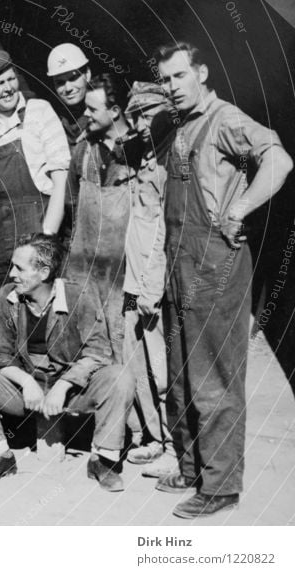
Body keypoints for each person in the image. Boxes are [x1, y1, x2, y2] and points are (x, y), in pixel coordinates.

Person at [154, 41, 292, 518]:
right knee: (180, 375)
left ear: (202, 73)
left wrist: (240, 205)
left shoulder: (226, 119)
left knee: (214, 378)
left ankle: (221, 487)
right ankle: (193, 467)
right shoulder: (182, 124)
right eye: (165, 80)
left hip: (215, 265)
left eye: (178, 76)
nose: (172, 87)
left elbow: (280, 160)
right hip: (179, 265)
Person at [0, 234, 134, 488]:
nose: (12, 274)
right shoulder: (8, 297)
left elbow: (98, 352)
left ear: (44, 272)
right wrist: (26, 381)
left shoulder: (78, 295)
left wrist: (63, 385)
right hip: (25, 391)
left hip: (71, 391)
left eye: (19, 268)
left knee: (119, 376)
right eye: (12, 266)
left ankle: (103, 459)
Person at [0, 51, 70, 318]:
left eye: (11, 79)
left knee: (40, 305)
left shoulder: (39, 111)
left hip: (34, 227)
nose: (9, 88)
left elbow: (60, 181)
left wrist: (47, 237)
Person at [66, 72, 142, 364]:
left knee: (131, 348)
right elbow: (73, 209)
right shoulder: (84, 150)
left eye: (92, 109)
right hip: (88, 273)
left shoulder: (140, 150)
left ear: (115, 111)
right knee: (92, 346)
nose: (85, 115)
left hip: (127, 276)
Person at [122, 81, 177, 477]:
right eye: (135, 114)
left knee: (163, 369)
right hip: (133, 279)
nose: (140, 122)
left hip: (151, 282)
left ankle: (176, 446)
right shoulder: (145, 153)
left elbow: (164, 229)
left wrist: (151, 287)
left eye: (147, 113)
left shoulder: (171, 158)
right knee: (137, 365)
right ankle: (153, 438)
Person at [46, 43, 93, 258]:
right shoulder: (51, 119)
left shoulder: (105, 116)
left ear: (88, 74)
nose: (68, 87)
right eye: (60, 82)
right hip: (66, 224)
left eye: (73, 77)